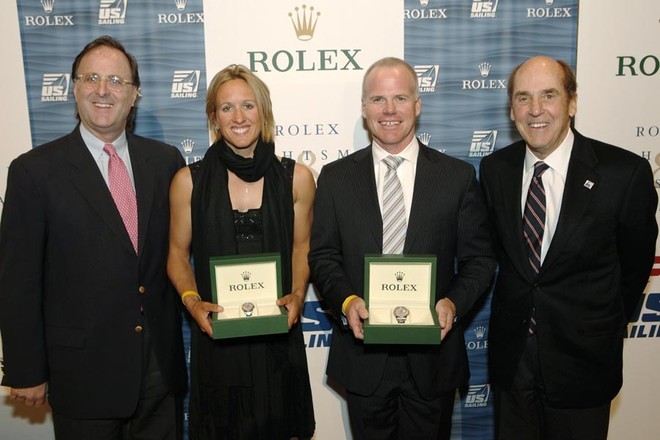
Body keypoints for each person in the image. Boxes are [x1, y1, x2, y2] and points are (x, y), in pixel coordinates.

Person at [0, 36, 187, 439]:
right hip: (82, 375)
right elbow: (18, 281)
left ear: (134, 94)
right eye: (92, 78)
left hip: (159, 374)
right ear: (74, 87)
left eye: (117, 81)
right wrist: (26, 370)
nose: (104, 90)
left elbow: (180, 253)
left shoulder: (166, 161)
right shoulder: (34, 172)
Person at [308, 57, 496, 439]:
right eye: (378, 99)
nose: (389, 110)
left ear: (418, 104)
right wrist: (346, 302)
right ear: (364, 109)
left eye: (400, 98)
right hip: (364, 361)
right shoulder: (335, 178)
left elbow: (479, 261)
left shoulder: (457, 177)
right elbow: (323, 256)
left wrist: (453, 304)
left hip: (432, 359)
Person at [479, 56, 658, 439]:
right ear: (512, 110)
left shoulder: (622, 174)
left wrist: (598, 325)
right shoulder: (495, 170)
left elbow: (634, 268)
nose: (536, 110)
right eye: (523, 98)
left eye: (549, 95)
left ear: (572, 102)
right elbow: (499, 255)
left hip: (584, 362)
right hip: (513, 363)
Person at [167, 64, 316, 439]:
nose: (238, 117)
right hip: (218, 338)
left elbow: (302, 247)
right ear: (214, 118)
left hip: (278, 337)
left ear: (263, 112)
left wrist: (298, 295)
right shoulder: (189, 182)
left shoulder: (296, 178)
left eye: (247, 105)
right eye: (226, 107)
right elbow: (176, 255)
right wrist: (191, 300)